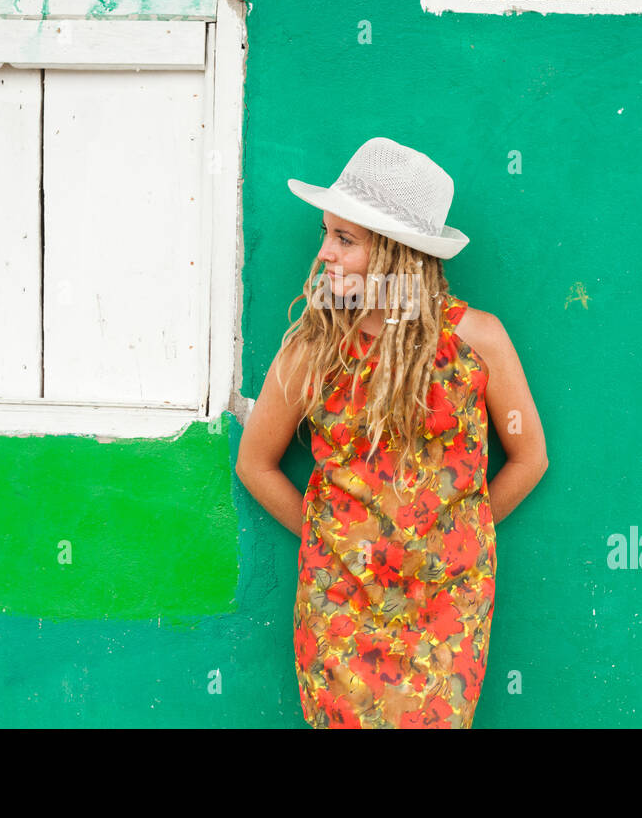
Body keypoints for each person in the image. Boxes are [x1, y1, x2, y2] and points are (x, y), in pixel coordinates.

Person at [235, 137, 548, 728]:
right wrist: (334, 543)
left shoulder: (479, 341)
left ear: (398, 253)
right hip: (342, 611)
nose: (325, 253)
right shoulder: (315, 348)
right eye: (326, 233)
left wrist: (459, 543)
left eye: (345, 239)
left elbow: (529, 457)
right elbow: (255, 464)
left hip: (445, 611)